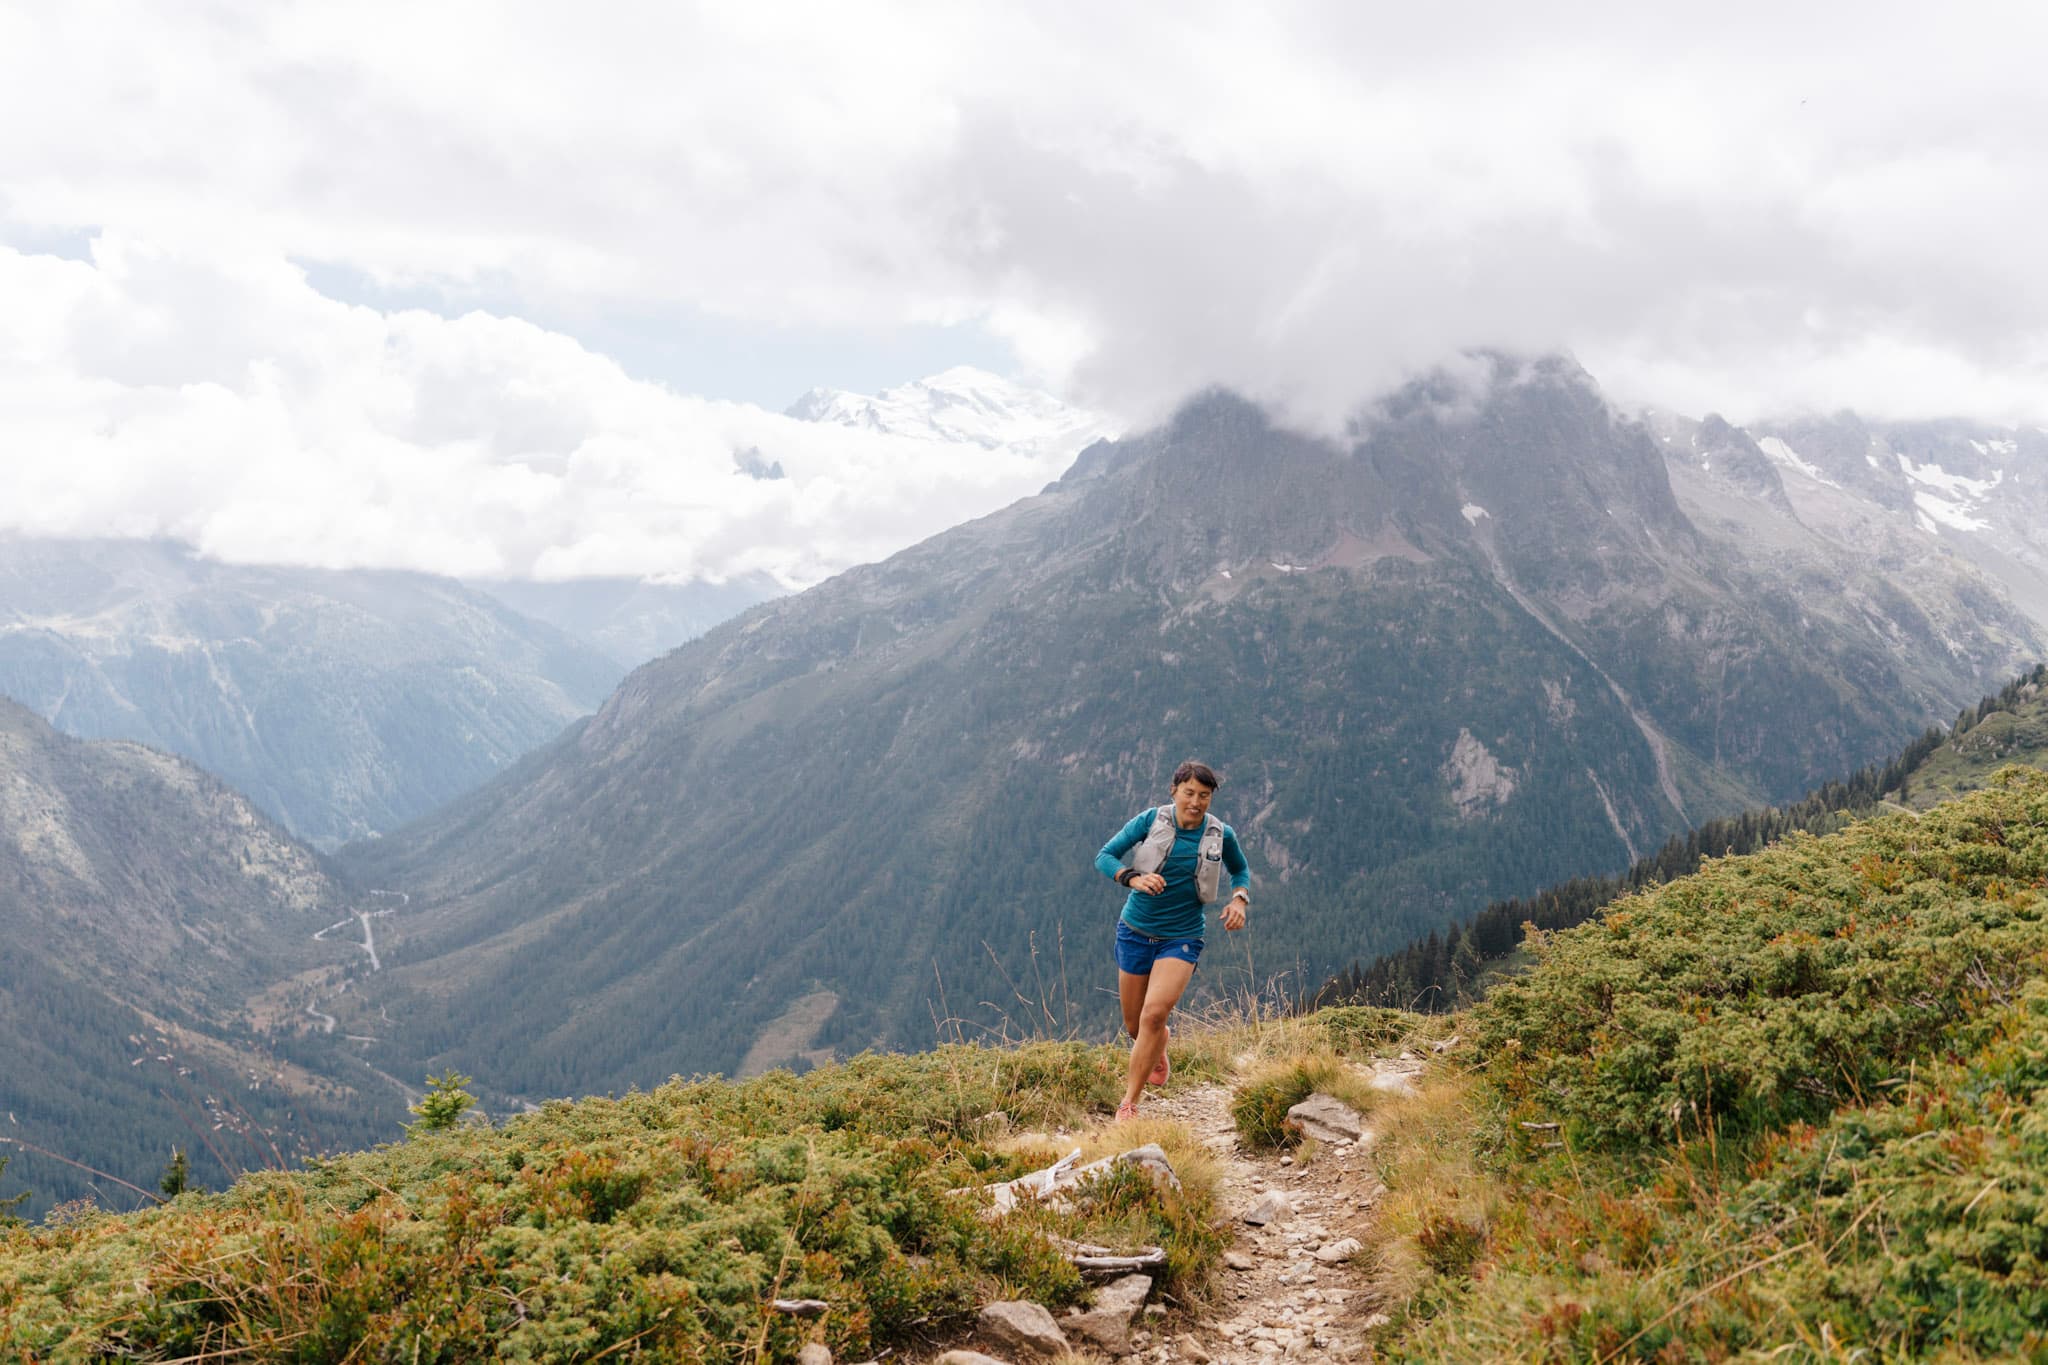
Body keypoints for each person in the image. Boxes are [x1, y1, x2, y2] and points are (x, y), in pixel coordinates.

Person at [1095, 760, 1252, 1121]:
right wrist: (1132, 878)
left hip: (1183, 936)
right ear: (1174, 791)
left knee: (1153, 1014)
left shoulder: (1221, 834)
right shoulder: (1150, 820)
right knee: (1135, 1026)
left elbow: (1239, 869)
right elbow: (1104, 857)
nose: (1196, 802)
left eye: (1204, 796)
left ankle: (1129, 1104)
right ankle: (1158, 1044)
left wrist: (1239, 899)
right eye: (1189, 793)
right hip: (1135, 931)